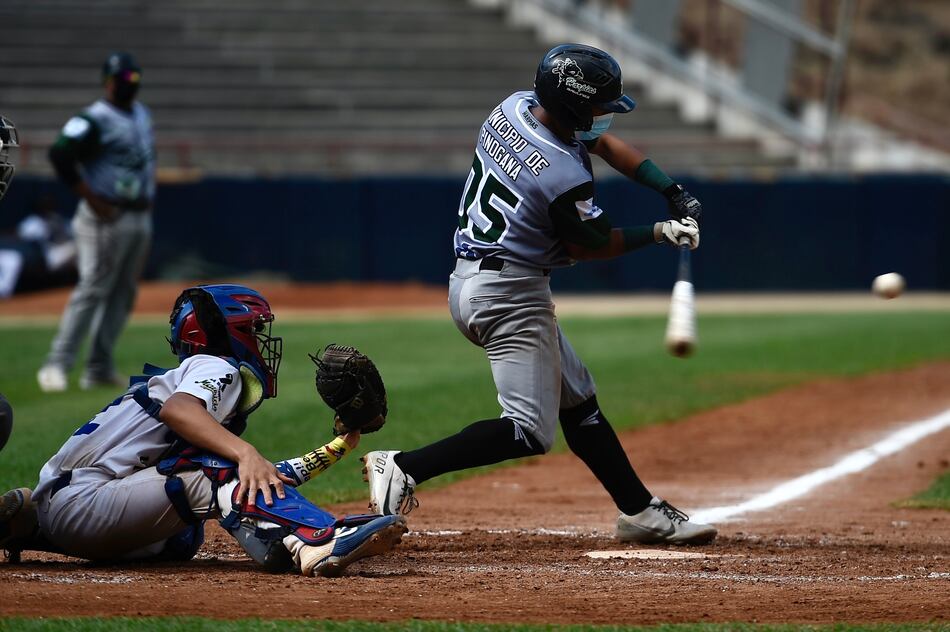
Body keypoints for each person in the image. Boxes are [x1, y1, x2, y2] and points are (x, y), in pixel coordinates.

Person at [362, 44, 715, 544]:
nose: (603, 119)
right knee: (528, 430)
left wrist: (671, 189)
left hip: (478, 279)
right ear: (573, 106)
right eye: (597, 107)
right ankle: (402, 465)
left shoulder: (515, 107)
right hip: (508, 295)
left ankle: (640, 512)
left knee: (579, 399)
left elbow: (603, 145)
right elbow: (590, 245)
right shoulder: (560, 173)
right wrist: (660, 231)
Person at [2, 284, 407, 576]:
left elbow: (260, 477)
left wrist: (340, 444)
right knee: (216, 468)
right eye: (253, 330)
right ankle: (316, 539)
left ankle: (24, 524)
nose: (262, 342)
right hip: (85, 503)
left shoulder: (188, 378)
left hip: (69, 508)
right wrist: (245, 454)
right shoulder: (217, 365)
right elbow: (181, 414)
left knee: (186, 534)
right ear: (225, 335)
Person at [37, 52, 156, 392]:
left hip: (137, 213)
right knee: (93, 288)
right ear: (107, 82)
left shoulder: (141, 113)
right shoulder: (93, 118)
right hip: (105, 215)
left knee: (123, 292)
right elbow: (60, 154)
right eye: (122, 80)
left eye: (133, 80)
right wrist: (91, 197)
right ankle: (56, 363)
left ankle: (99, 367)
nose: (128, 86)